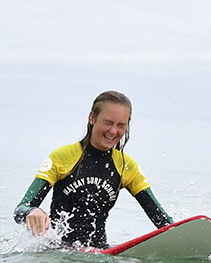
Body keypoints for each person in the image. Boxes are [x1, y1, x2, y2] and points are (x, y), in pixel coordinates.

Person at [13, 90, 173, 248]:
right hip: (58, 257)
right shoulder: (63, 157)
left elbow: (160, 219)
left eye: (121, 125)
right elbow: (21, 209)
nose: (113, 131)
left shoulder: (126, 166)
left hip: (100, 255)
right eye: (108, 123)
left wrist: (184, 233)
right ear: (92, 118)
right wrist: (31, 211)